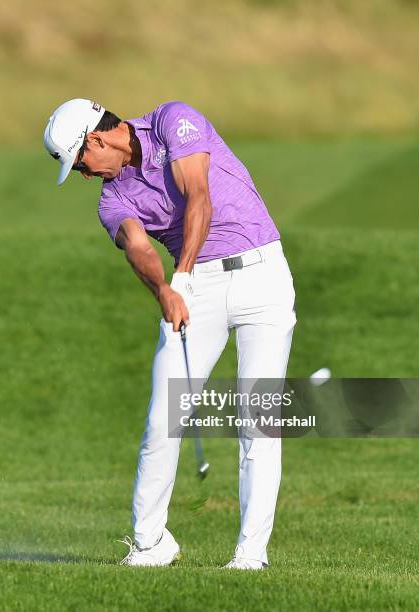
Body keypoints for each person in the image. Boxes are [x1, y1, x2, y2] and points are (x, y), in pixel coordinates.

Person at [44, 98, 297, 569]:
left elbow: (199, 195)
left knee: (258, 422)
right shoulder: (111, 198)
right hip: (191, 289)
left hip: (262, 273)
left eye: (80, 162)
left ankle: (250, 557)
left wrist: (179, 276)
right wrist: (164, 289)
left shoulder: (172, 121)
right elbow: (137, 245)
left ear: (97, 139)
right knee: (163, 418)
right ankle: (149, 543)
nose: (84, 174)